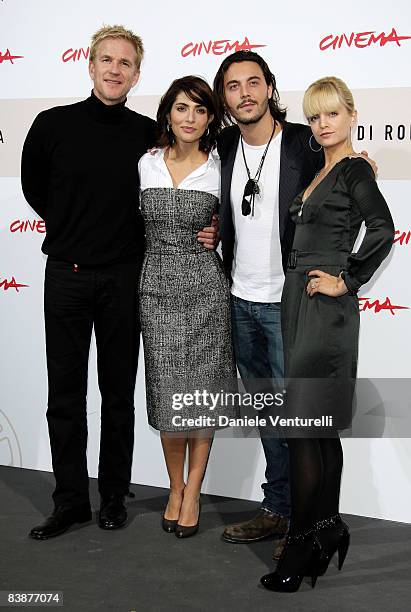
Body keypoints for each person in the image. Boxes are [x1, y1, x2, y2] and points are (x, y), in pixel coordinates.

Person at [20, 25, 217, 540]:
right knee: (64, 393)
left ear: (136, 73)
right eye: (106, 60)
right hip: (65, 274)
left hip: (126, 277)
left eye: (125, 63)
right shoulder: (50, 125)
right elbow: (34, 188)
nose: (114, 69)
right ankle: (69, 502)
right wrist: (71, 229)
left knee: (116, 395)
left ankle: (112, 496)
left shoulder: (145, 137)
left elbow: (187, 181)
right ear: (90, 66)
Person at [260, 76, 394, 592]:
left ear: (351, 114)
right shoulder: (322, 170)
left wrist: (349, 279)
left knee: (301, 429)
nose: (322, 124)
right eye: (314, 117)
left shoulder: (354, 169)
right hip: (299, 301)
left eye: (331, 114)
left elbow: (382, 226)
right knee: (317, 428)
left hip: (323, 310)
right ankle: (325, 530)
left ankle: (299, 545)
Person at [138, 76, 237, 538]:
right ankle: (174, 486)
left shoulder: (222, 168)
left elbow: (250, 221)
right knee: (168, 395)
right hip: (155, 288)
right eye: (182, 109)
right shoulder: (146, 164)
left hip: (205, 290)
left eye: (200, 110)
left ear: (212, 118)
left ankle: (193, 489)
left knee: (202, 398)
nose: (190, 119)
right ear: (168, 113)